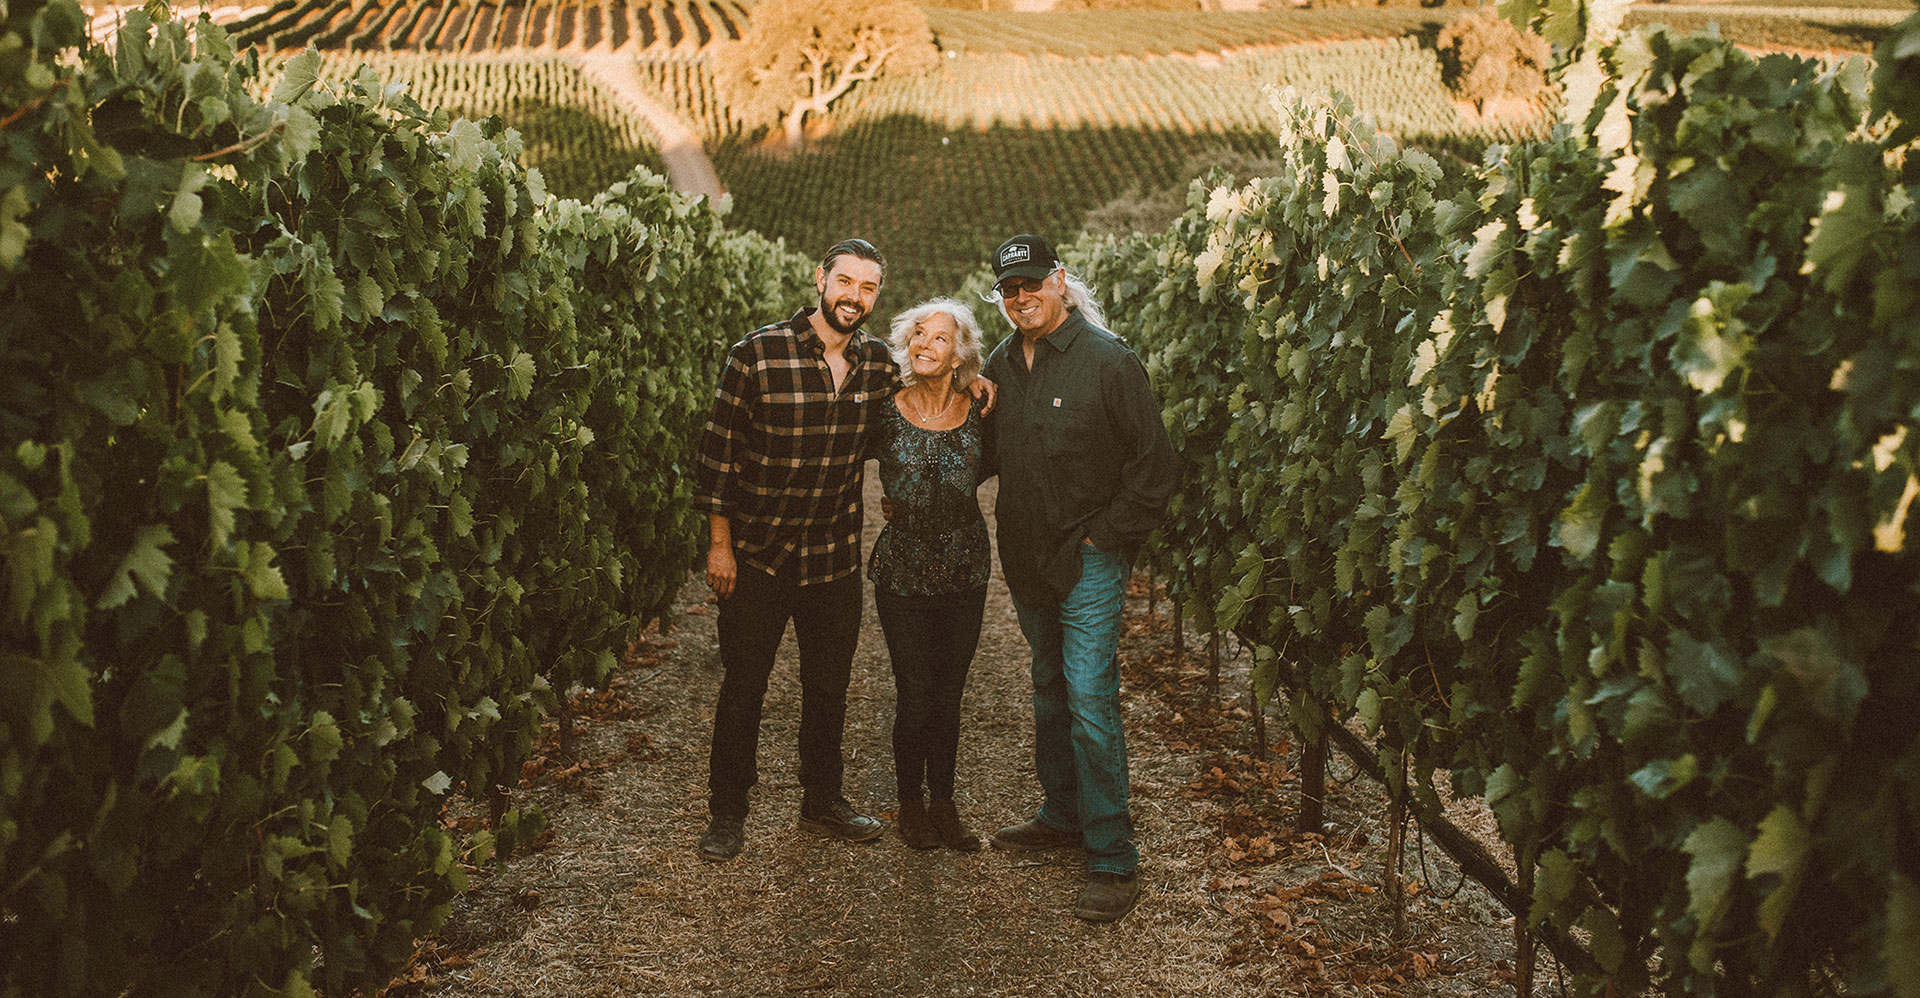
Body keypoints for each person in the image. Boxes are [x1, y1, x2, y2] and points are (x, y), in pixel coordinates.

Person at [978, 233, 1176, 923]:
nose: (1021, 297)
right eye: (1009, 289)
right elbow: (983, 457)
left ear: (1060, 280)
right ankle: (1061, 812)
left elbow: (1153, 469)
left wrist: (1102, 538)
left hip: (1087, 554)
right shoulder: (1001, 367)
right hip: (1028, 555)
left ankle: (1114, 859)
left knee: (1089, 695)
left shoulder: (1109, 362)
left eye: (1032, 282)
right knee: (1047, 687)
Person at [692, 238, 898, 862]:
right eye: (845, 283)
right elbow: (716, 461)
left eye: (868, 289)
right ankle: (727, 813)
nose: (854, 298)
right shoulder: (756, 354)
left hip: (832, 558)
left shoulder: (880, 365)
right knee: (743, 688)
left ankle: (822, 798)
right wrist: (719, 547)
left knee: (828, 687)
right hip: (758, 557)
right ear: (820, 279)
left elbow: (928, 396)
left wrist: (979, 384)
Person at [867, 299, 992, 852]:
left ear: (959, 353)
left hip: (965, 568)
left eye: (939, 338)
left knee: (949, 691)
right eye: (917, 334)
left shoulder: (982, 409)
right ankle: (910, 803)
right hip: (903, 572)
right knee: (914, 690)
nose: (924, 344)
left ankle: (944, 801)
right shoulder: (882, 410)